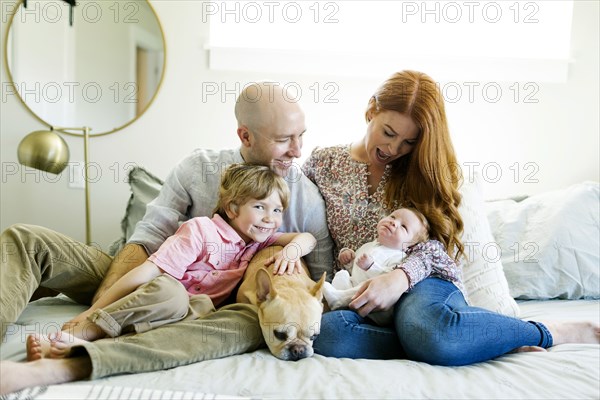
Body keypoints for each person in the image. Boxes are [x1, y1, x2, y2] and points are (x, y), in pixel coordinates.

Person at [0, 82, 334, 395]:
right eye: (284, 139)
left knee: (217, 314)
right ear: (246, 136)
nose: (297, 151)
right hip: (155, 270)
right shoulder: (197, 168)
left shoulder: (305, 197)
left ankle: (81, 359)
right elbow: (147, 240)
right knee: (26, 239)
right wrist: (105, 309)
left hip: (214, 302)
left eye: (301, 136)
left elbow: (320, 283)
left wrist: (287, 255)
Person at [303, 70, 600, 364]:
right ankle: (476, 339)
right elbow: (284, 210)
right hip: (361, 291)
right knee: (328, 334)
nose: (394, 148)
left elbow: (437, 251)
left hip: (419, 286)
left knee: (429, 330)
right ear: (371, 111)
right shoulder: (323, 163)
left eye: (408, 142)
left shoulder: (421, 173)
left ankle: (542, 333)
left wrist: (399, 278)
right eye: (388, 133)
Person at [26, 163, 317, 360]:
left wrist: (292, 252)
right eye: (259, 207)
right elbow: (145, 273)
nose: (270, 219)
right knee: (171, 291)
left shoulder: (257, 241)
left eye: (277, 210)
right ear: (232, 207)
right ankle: (87, 331)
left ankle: (95, 349)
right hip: (163, 300)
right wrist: (92, 311)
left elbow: (307, 238)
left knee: (208, 314)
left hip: (188, 316)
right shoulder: (201, 230)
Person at [323, 207, 456, 326]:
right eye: (393, 216)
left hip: (377, 305)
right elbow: (355, 270)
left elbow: (387, 278)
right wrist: (349, 261)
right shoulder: (369, 246)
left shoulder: (400, 257)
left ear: (410, 244)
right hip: (353, 288)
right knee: (342, 275)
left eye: (403, 227)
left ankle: (338, 300)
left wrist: (371, 266)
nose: (394, 222)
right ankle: (338, 298)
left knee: (368, 287)